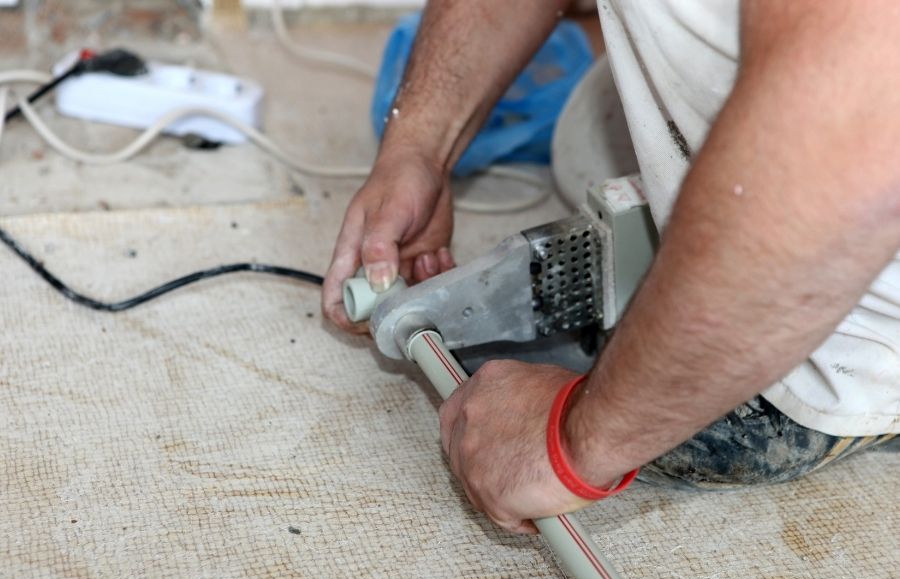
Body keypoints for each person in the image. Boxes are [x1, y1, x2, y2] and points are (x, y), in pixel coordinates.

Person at [321, 0, 900, 534]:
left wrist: (577, 442)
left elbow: (848, 139)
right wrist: (420, 146)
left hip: (849, 258)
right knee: (584, 134)